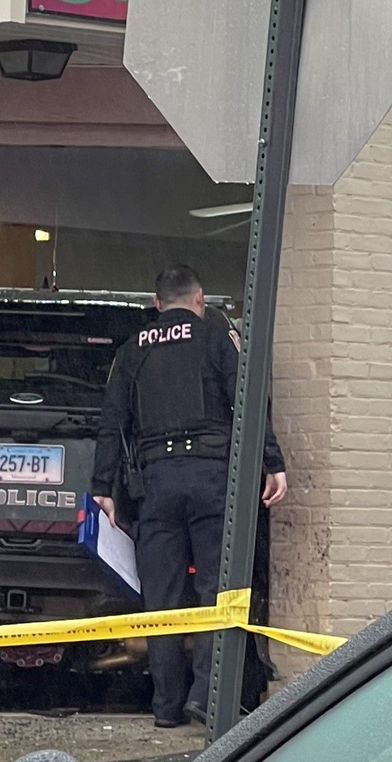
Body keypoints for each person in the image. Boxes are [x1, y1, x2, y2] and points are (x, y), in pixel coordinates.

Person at [92, 265, 287, 728]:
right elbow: (248, 400)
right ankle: (208, 695)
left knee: (161, 597)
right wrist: (272, 462)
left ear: (157, 304)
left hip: (154, 483)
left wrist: (104, 487)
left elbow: (112, 420)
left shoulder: (133, 349)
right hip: (211, 479)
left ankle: (165, 708)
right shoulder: (216, 337)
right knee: (216, 591)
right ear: (199, 299)